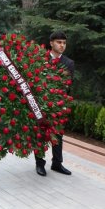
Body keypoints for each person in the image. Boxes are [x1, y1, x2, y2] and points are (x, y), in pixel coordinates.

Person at [35, 31, 74, 177]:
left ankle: (57, 163)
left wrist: (62, 103)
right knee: (40, 133)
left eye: (64, 43)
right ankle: (39, 164)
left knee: (58, 134)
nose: (62, 45)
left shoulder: (69, 63)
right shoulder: (40, 59)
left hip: (58, 105)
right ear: (51, 43)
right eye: (59, 42)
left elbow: (68, 85)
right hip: (41, 104)